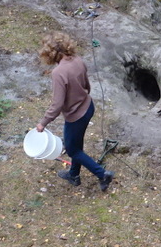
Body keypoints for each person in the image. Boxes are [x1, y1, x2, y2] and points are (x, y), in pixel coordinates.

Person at [36, 33, 114, 192]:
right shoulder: (78, 60)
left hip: (76, 116)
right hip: (88, 107)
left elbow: (57, 104)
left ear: (50, 53)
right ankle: (74, 175)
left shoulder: (58, 72)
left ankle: (102, 174)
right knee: (77, 144)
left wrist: (43, 123)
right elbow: (87, 85)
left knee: (72, 150)